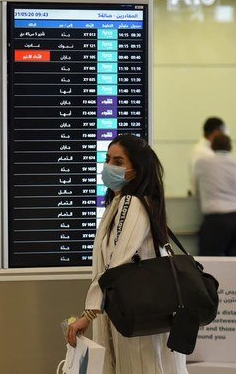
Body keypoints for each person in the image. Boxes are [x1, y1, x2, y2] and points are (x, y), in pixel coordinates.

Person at [66, 135, 187, 374]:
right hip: (130, 314)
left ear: (137, 169)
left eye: (119, 162)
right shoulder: (120, 203)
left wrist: (88, 315)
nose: (109, 166)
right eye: (108, 159)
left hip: (137, 317)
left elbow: (116, 264)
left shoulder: (132, 204)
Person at [188, 117, 226, 195]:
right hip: (205, 197)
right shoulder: (202, 152)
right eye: (223, 132)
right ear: (216, 133)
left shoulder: (206, 149)